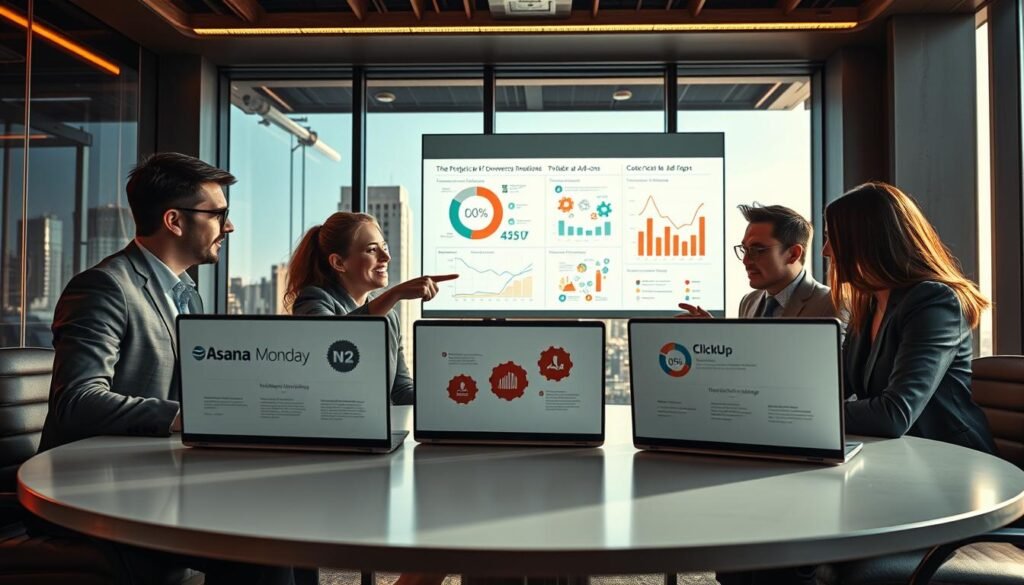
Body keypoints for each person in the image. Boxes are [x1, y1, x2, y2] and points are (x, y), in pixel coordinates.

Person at [37, 152, 302, 585]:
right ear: (175, 221)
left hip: (158, 479)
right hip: (96, 493)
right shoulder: (105, 286)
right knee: (261, 547)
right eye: (218, 215)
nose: (229, 227)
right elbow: (77, 401)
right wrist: (187, 415)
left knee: (289, 525)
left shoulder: (186, 294)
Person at [824, 181, 995, 452]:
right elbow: (834, 388)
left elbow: (894, 414)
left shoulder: (933, 301)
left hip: (950, 458)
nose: (826, 251)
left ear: (867, 241)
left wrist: (811, 414)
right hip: (899, 454)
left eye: (833, 238)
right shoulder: (867, 304)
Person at [286, 211, 458, 406]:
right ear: (339, 263)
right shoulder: (314, 299)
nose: (386, 257)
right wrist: (395, 294)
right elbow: (333, 340)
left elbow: (401, 390)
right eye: (372, 250)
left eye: (384, 247)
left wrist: (446, 395)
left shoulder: (389, 317)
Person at [679, 204, 837, 319]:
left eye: (756, 250)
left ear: (793, 254)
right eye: (744, 249)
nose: (745, 260)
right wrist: (718, 335)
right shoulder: (749, 302)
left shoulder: (831, 305)